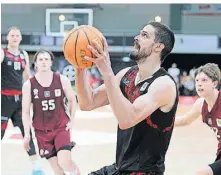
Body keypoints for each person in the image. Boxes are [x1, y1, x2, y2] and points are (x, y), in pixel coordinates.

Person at [75, 21, 178, 175]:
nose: (137, 37)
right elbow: (87, 102)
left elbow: (127, 119)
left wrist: (107, 72)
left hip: (144, 171)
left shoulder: (163, 85)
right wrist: (80, 66)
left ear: (158, 47)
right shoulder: (127, 74)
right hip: (120, 168)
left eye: (144, 35)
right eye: (139, 33)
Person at [22, 49, 80, 175]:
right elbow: (25, 112)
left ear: (51, 62)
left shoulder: (62, 80)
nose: (44, 62)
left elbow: (72, 100)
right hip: (42, 132)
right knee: (56, 169)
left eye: (46, 59)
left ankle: (76, 171)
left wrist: (72, 120)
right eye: (41, 59)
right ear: (35, 63)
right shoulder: (29, 85)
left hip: (60, 127)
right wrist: (27, 134)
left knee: (64, 161)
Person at [1, 26, 44, 175]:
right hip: (4, 100)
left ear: (20, 38)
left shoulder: (23, 54)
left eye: (17, 35)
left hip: (19, 100)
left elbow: (27, 77)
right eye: (12, 35)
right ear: (7, 37)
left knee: (27, 133)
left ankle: (36, 168)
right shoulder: (2, 53)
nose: (14, 38)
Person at [175, 63, 221, 175]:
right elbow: (184, 120)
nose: (199, 84)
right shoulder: (200, 104)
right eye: (197, 81)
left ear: (214, 83)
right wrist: (157, 121)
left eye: (204, 80)